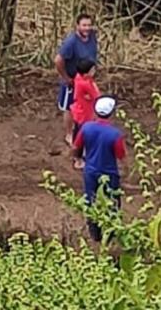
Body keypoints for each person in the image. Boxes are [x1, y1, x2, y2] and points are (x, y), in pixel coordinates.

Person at [72, 95, 126, 242]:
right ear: (111, 113)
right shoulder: (115, 134)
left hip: (90, 170)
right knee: (112, 202)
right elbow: (120, 154)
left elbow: (76, 146)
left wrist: (78, 159)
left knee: (90, 199)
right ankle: (111, 233)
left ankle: (94, 232)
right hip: (109, 172)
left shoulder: (86, 128)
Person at [54, 13, 99, 145]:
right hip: (73, 79)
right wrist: (67, 78)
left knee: (87, 104)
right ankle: (69, 134)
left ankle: (85, 130)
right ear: (77, 26)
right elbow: (58, 60)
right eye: (84, 25)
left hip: (88, 77)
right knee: (69, 107)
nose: (87, 28)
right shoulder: (71, 42)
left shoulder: (92, 37)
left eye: (89, 25)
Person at [70, 58, 100, 170]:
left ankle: (78, 156)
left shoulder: (79, 77)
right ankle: (78, 159)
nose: (94, 71)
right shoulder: (86, 84)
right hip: (85, 115)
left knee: (77, 134)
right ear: (87, 72)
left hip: (79, 111)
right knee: (82, 137)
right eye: (92, 70)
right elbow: (96, 95)